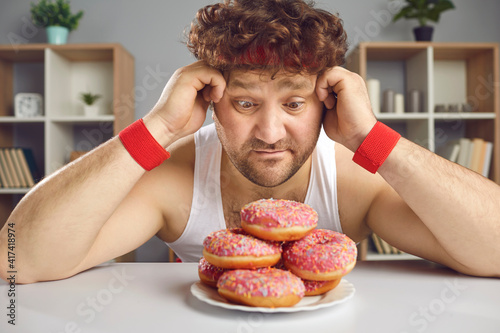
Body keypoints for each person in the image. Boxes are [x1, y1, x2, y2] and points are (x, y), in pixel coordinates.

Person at [1, 0, 499, 284]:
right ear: (211, 99)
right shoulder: (174, 175)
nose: (269, 132)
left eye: (295, 103)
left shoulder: (352, 178)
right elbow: (16, 260)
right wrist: (158, 127)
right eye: (244, 104)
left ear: (327, 101)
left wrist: (372, 137)